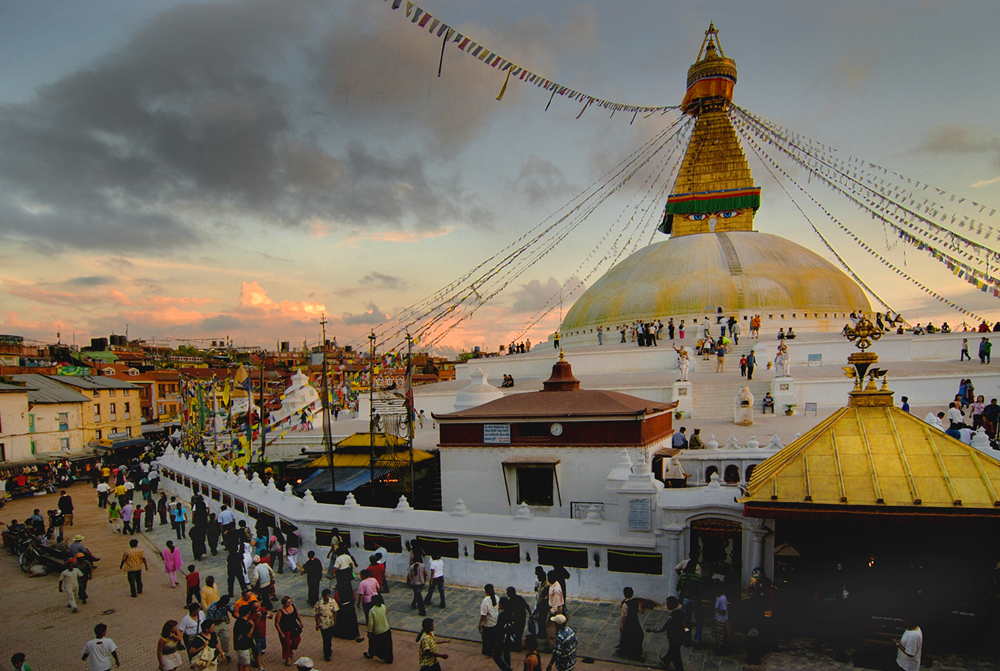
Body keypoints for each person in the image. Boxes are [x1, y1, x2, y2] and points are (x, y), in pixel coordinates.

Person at [647, 596, 688, 671]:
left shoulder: (671, 617)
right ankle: (666, 660)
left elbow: (662, 628)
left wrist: (652, 630)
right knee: (673, 650)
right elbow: (686, 626)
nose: (666, 605)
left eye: (668, 604)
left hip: (673, 637)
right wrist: (686, 635)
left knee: (676, 655)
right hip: (680, 637)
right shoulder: (682, 613)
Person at [275, 595, 305, 666]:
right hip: (285, 629)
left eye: (290, 601)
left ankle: (290, 650)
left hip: (294, 627)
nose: (290, 603)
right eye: (288, 602)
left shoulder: (293, 606)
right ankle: (287, 658)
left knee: (297, 640)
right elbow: (277, 624)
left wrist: (300, 621)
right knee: (286, 644)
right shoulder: (280, 612)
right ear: (284, 604)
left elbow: (297, 614)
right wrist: (281, 633)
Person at [364, 594, 394, 663]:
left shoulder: (372, 611)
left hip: (377, 630)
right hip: (386, 628)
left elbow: (370, 623)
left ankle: (371, 653)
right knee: (387, 646)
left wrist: (369, 632)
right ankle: (388, 658)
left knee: (372, 643)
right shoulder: (383, 607)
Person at [617, 587, 644, 661]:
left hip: (628, 622)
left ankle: (624, 650)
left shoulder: (625, 604)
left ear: (624, 595)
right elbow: (640, 610)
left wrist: (622, 625)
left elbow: (624, 616)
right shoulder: (636, 602)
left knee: (625, 635)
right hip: (635, 621)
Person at [314, 588, 339, 662]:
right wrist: (317, 624)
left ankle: (329, 648)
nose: (327, 597)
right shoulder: (319, 604)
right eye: (326, 596)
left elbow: (335, 611)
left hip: (330, 623)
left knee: (329, 638)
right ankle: (326, 654)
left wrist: (335, 621)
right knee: (325, 639)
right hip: (323, 624)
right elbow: (316, 614)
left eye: (328, 596)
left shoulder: (332, 602)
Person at [505, 586, 532, 652]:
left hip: (516, 619)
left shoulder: (510, 602)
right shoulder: (520, 598)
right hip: (522, 618)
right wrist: (530, 613)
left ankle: (516, 646)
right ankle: (518, 645)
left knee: (516, 632)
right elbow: (527, 606)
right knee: (519, 632)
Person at [493, 597, 515, 671]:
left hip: (502, 639)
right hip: (509, 638)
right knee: (507, 654)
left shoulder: (502, 615)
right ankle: (507, 667)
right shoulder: (510, 614)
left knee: (496, 655)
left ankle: (507, 669)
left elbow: (499, 629)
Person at [479, 584, 500, 656]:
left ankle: (487, 651)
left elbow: (483, 615)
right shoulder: (496, 598)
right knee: (493, 638)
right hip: (495, 622)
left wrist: (480, 623)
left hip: (487, 624)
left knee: (486, 639)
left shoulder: (485, 601)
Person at [233, 605, 255, 671]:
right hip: (243, 647)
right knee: (246, 664)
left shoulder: (239, 621)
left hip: (238, 645)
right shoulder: (243, 623)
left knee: (241, 662)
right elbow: (248, 635)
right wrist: (253, 626)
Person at [545, 571, 564, 649]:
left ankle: (551, 646)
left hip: (555, 609)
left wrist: (552, 612)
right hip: (556, 607)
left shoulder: (556, 588)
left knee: (550, 628)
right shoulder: (554, 584)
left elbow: (555, 601)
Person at [713, 587, 729, 652]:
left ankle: (721, 648)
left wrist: (715, 609)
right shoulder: (718, 597)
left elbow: (723, 611)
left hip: (721, 619)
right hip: (717, 618)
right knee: (717, 634)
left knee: (721, 635)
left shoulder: (722, 599)